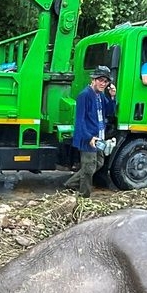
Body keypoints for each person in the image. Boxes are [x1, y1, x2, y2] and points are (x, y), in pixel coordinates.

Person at [64, 66, 117, 198]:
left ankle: (71, 183)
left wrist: (112, 97)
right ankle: (84, 197)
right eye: (100, 80)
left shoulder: (100, 95)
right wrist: (89, 137)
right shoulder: (84, 95)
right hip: (88, 138)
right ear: (93, 79)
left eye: (105, 81)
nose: (103, 83)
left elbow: (110, 111)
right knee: (88, 169)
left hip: (99, 137)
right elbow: (80, 121)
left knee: (99, 163)